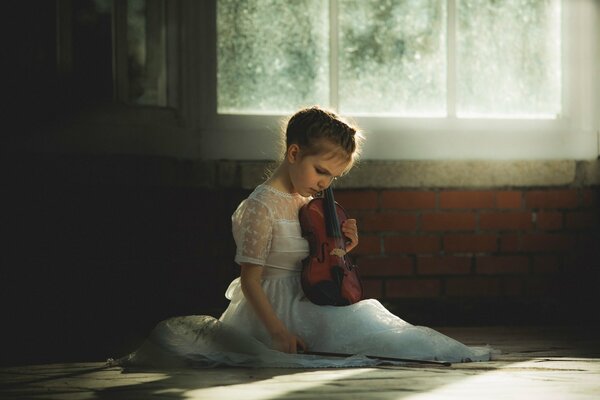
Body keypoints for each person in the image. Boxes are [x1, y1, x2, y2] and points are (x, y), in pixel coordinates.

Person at [114, 106, 494, 369]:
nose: (325, 185)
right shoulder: (261, 206)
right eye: (321, 172)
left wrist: (344, 246)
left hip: (306, 296)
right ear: (294, 153)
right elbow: (250, 280)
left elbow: (315, 258)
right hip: (273, 307)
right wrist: (279, 331)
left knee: (370, 322)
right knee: (363, 331)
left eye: (333, 178)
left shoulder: (304, 200)